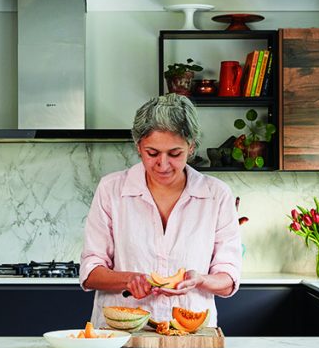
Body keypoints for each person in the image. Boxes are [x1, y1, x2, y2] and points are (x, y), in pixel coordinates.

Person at [79, 93, 242, 327]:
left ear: (191, 146)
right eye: (152, 153)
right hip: (121, 336)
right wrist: (129, 280)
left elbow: (228, 278)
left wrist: (200, 280)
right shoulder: (111, 190)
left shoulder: (216, 195)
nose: (163, 165)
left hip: (190, 335)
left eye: (175, 154)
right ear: (138, 147)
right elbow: (91, 270)